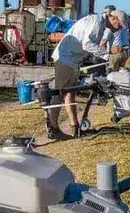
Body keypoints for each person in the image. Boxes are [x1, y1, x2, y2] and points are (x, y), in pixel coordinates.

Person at [49, 9, 125, 139]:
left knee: (69, 93)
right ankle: (54, 128)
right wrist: (108, 52)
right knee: (61, 93)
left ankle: (74, 127)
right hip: (66, 58)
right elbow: (87, 45)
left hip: (72, 59)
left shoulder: (100, 23)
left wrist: (106, 53)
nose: (119, 29)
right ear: (114, 19)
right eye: (120, 25)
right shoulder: (97, 22)